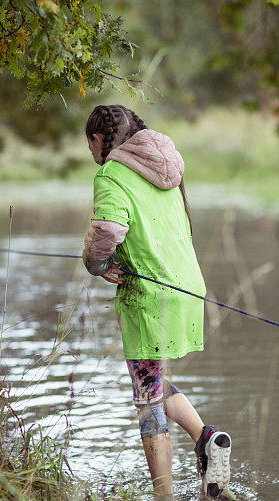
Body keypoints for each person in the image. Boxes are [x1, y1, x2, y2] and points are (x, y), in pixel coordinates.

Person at [81, 105, 232, 498]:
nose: (91, 154)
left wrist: (95, 263)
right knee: (151, 379)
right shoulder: (165, 167)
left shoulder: (111, 173)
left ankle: (163, 496)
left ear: (100, 140)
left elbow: (109, 229)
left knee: (147, 400)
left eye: (91, 145)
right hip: (185, 290)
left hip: (150, 297)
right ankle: (206, 440)